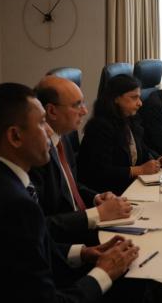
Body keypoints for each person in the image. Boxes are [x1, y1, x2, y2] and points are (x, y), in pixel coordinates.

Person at [0, 83, 138, 302]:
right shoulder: (12, 204)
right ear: (15, 137)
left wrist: (84, 253)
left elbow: (34, 248)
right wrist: (104, 273)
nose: (50, 130)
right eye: (42, 122)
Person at [30, 76, 132, 244]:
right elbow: (42, 226)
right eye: (77, 105)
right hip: (67, 242)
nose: (84, 111)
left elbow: (71, 186)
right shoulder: (36, 155)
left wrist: (96, 197)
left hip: (82, 226)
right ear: (52, 111)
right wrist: (97, 214)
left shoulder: (64, 137)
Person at [78, 74, 162, 195]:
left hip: (130, 186)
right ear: (116, 98)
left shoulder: (129, 119)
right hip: (109, 194)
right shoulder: (100, 127)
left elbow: (142, 149)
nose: (140, 103)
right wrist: (140, 170)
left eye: (139, 97)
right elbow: (101, 171)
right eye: (134, 98)